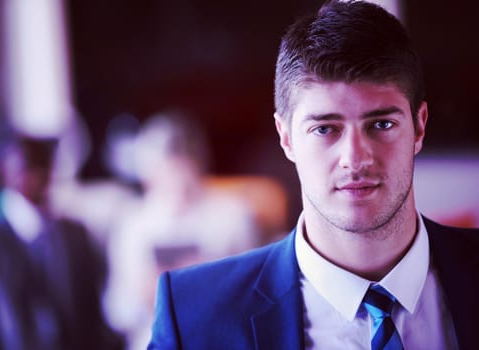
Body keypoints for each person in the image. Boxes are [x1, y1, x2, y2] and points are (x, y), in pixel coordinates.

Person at [147, 1, 479, 349]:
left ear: (419, 127)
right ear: (286, 137)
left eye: (382, 124)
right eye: (325, 129)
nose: (355, 158)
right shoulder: (194, 318)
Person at [104, 110, 259, 349]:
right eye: (166, 170)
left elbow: (257, 294)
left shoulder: (231, 215)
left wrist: (213, 280)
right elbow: (117, 312)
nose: (176, 180)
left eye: (183, 168)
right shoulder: (133, 224)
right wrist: (143, 294)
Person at [0, 123, 124, 350]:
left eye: (41, 163)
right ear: (3, 170)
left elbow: (95, 313)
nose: (35, 173)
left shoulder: (74, 235)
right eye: (24, 165)